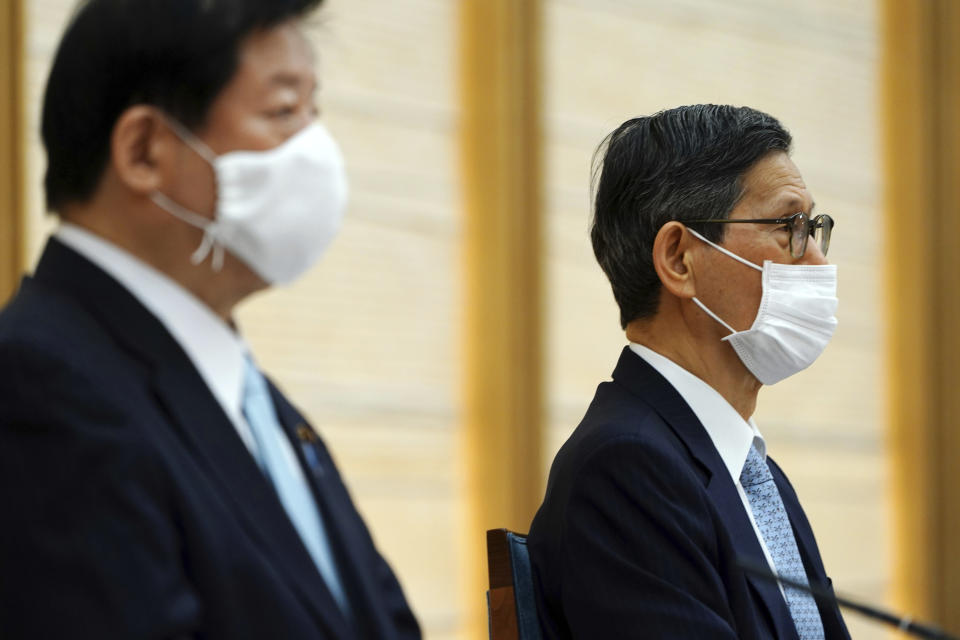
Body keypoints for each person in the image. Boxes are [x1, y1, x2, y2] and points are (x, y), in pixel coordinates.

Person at [0, 1, 420, 638]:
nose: (317, 149)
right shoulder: (38, 385)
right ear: (144, 151)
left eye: (315, 111)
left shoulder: (250, 398)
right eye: (283, 111)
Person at [527, 105, 851, 639]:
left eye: (814, 228)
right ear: (679, 259)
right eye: (789, 227)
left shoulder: (751, 472)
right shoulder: (626, 469)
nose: (816, 260)